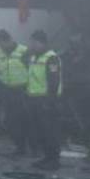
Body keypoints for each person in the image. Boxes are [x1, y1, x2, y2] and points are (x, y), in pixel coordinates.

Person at [24, 29, 63, 170]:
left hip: (46, 101)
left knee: (50, 131)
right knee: (40, 131)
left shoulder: (51, 58)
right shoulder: (34, 57)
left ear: (41, 43)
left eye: (34, 42)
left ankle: (54, 160)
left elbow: (54, 81)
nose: (31, 45)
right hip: (35, 100)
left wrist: (49, 101)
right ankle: (47, 158)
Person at [0, 29, 30, 155]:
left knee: (26, 120)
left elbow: (34, 71)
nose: (0, 46)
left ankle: (31, 147)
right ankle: (20, 147)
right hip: (7, 91)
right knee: (11, 122)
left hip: (24, 91)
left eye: (2, 43)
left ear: (8, 40)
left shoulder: (24, 51)